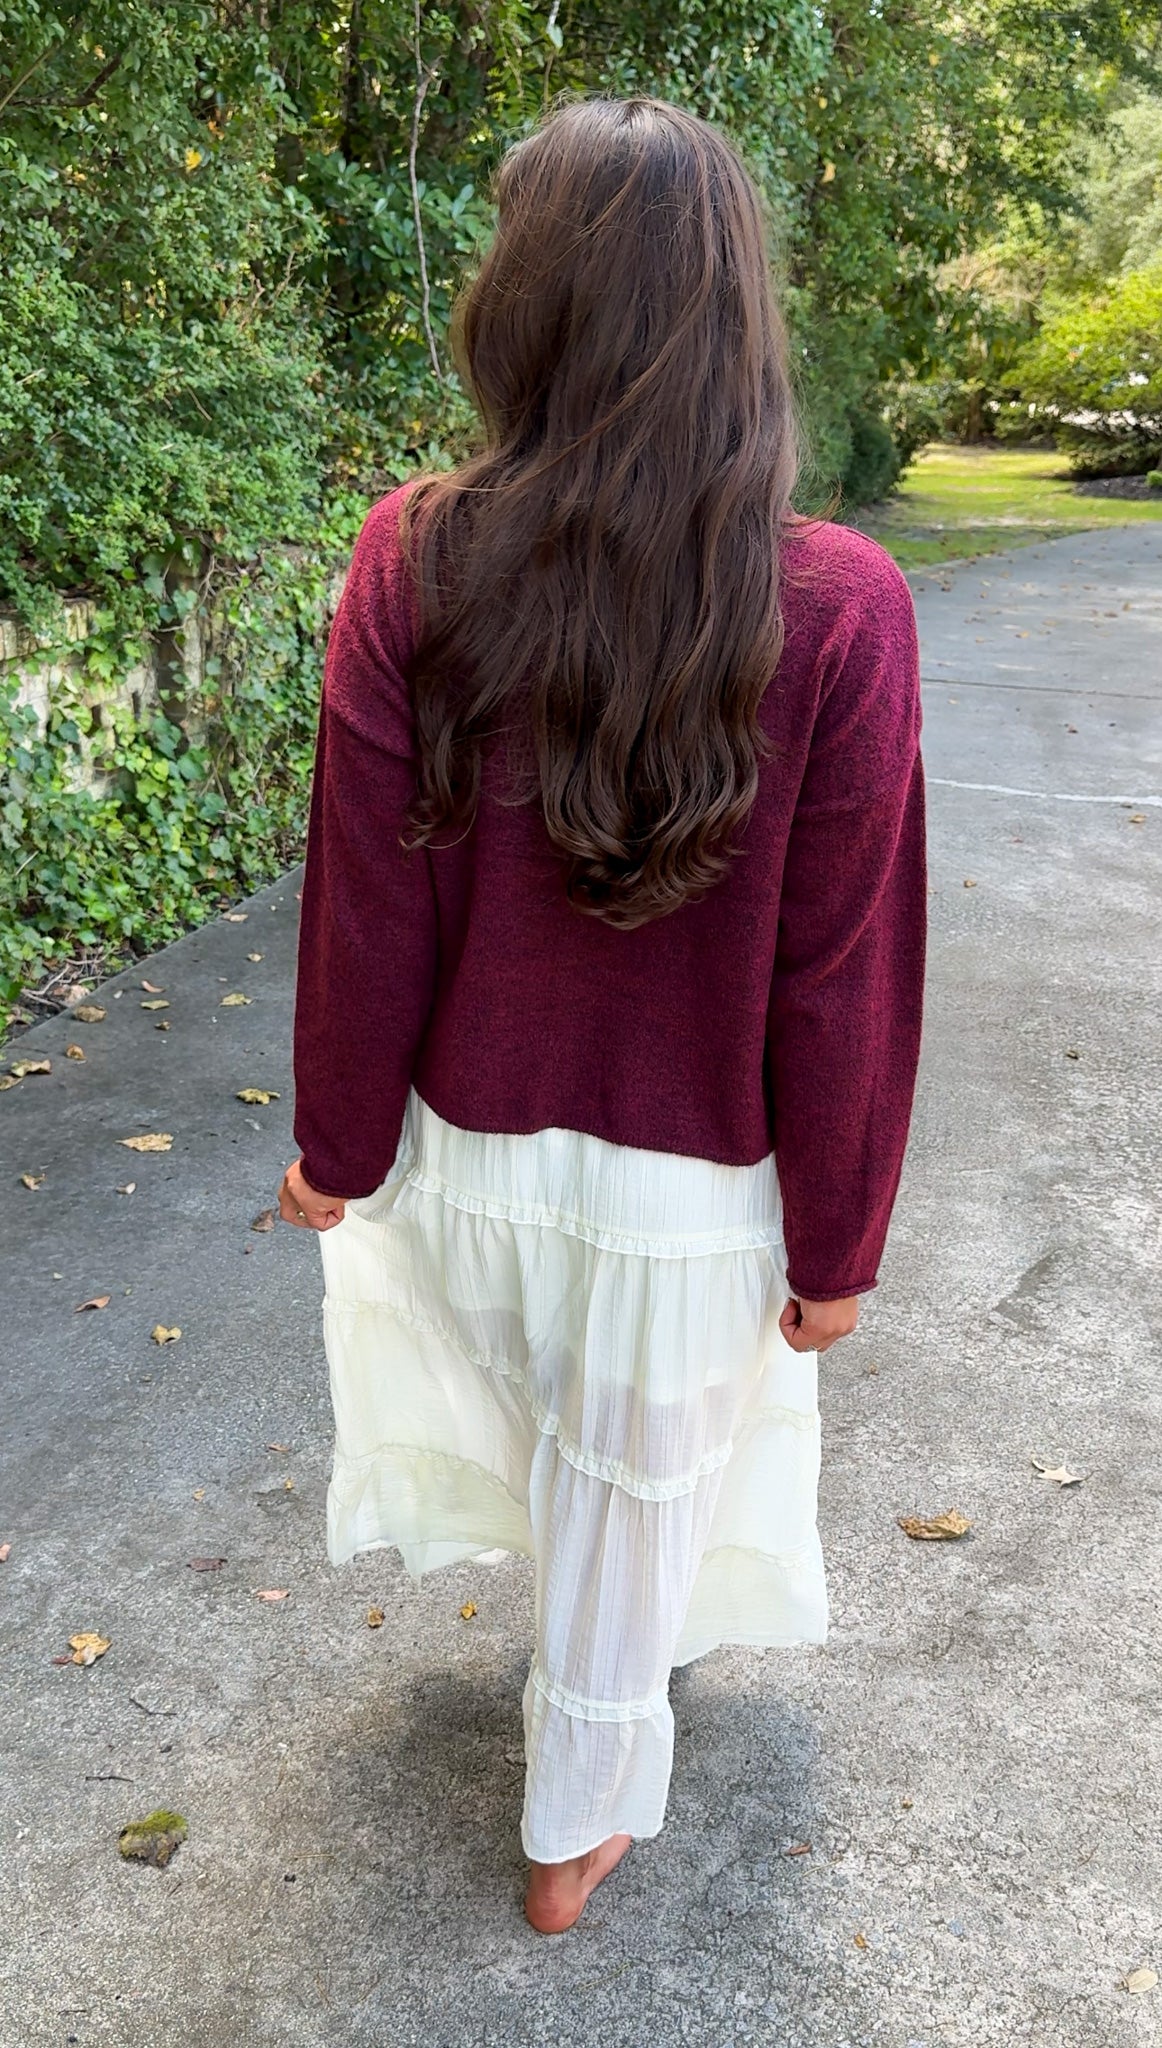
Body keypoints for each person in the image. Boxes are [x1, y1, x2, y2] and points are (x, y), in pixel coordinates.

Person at [279, 95, 925, 1936]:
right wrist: (837, 1243)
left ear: (523, 304)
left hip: (466, 1166)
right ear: (738, 314)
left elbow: (364, 892)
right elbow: (839, 965)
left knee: (572, 1439)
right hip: (684, 1207)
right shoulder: (839, 602)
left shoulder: (413, 551)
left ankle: (601, 1678)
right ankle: (573, 1830)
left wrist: (337, 1150)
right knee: (635, 1476)